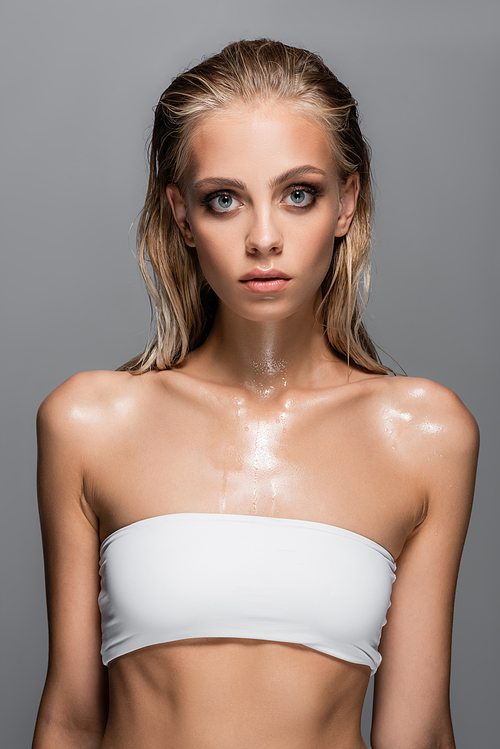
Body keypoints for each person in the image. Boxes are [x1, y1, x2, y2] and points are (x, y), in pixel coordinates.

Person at [32, 39, 479, 749]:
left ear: (346, 202)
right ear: (182, 216)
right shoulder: (88, 423)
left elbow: (417, 731)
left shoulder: (424, 434)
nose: (263, 238)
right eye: (224, 200)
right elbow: (70, 718)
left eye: (298, 193)